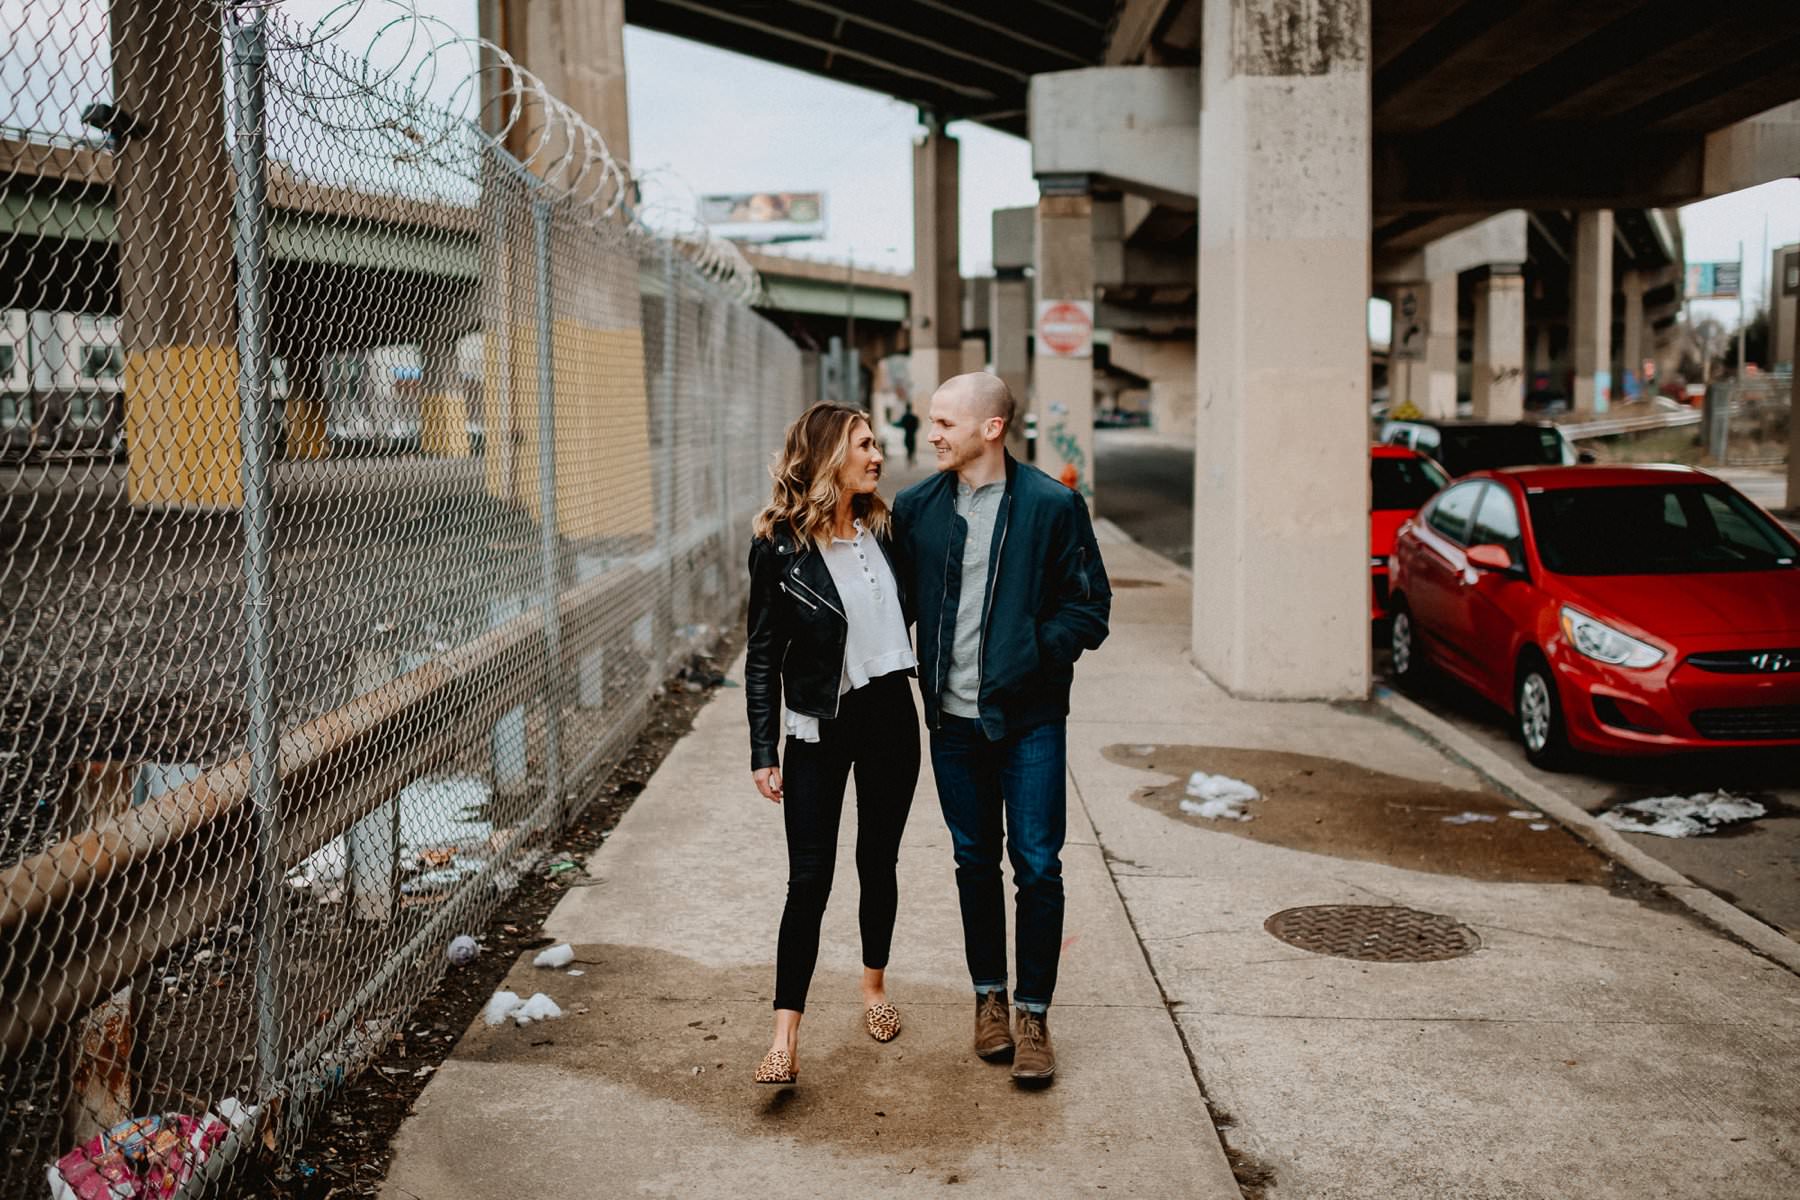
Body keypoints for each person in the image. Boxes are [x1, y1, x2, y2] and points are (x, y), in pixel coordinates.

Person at [892, 373, 1110, 1088]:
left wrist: (1031, 655)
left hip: (1031, 720)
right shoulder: (918, 507)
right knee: (974, 861)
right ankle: (989, 998)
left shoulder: (1052, 505)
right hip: (951, 723)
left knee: (1039, 865)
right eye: (931, 421)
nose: (932, 434)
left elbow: (1090, 610)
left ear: (990, 427)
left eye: (944, 422)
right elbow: (884, 603)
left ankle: (1034, 1014)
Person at [744, 402, 920, 1086]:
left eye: (877, 444)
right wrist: (765, 747)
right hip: (818, 722)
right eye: (865, 445)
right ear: (828, 458)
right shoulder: (779, 547)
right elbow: (762, 656)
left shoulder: (885, 532)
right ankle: (784, 1037)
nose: (878, 456)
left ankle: (873, 988)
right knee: (808, 880)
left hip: (889, 718)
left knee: (878, 860)